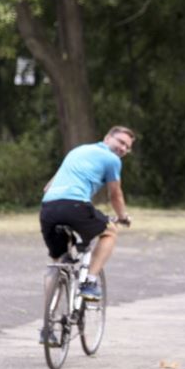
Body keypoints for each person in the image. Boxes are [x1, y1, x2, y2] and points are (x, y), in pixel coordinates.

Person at [40, 126, 135, 304]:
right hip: (74, 205)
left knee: (57, 261)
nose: (123, 149)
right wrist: (123, 217)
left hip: (47, 208)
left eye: (127, 147)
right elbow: (115, 195)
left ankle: (48, 317)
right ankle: (89, 282)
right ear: (107, 138)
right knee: (110, 231)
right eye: (121, 142)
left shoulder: (78, 151)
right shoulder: (112, 159)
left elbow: (47, 187)